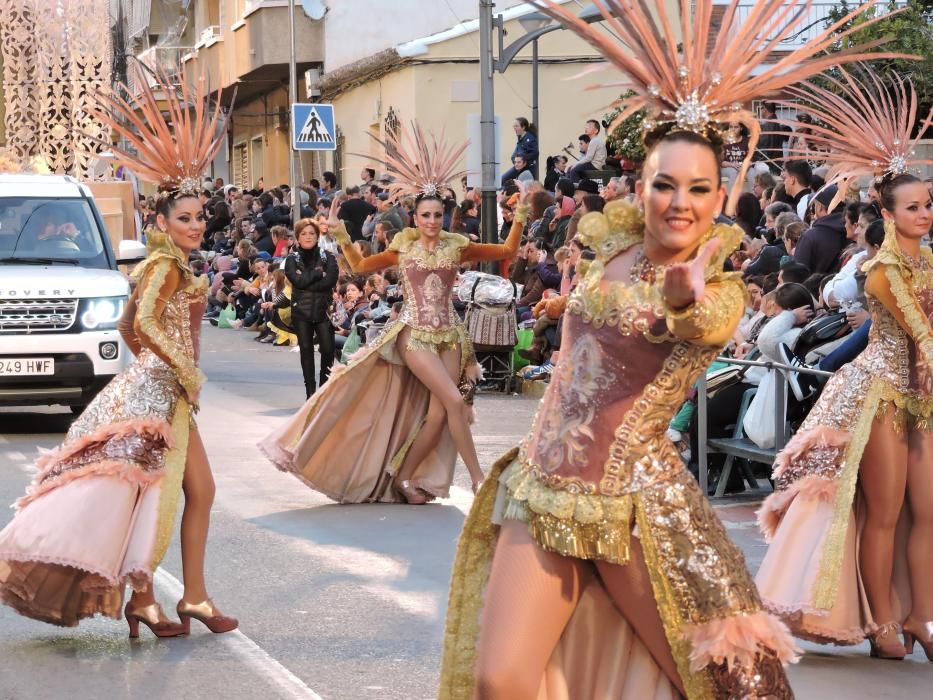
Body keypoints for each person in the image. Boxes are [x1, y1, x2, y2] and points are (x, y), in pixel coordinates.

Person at [437, 0, 891, 694]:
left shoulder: (719, 290)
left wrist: (680, 296)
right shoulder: (609, 245)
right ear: (639, 187)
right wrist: (562, 304)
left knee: (711, 682)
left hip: (635, 505)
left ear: (717, 199)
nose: (679, 201)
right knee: (500, 681)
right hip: (542, 485)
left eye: (698, 189)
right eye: (664, 184)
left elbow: (695, 320)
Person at [0, 67, 237, 636]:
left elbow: (131, 326)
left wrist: (162, 366)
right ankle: (157, 600)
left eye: (201, 216)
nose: (196, 224)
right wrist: (176, 367)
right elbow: (150, 321)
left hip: (162, 389)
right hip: (160, 395)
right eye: (184, 217)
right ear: (159, 221)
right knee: (147, 492)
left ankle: (184, 598)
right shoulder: (162, 265)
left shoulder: (175, 265)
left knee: (187, 490)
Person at [756, 68, 933, 660]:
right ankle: (883, 620)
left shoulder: (928, 264)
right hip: (880, 393)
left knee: (926, 513)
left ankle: (919, 616)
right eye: (913, 207)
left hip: (922, 398)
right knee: (882, 513)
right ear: (888, 212)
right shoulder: (880, 270)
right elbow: (920, 335)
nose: (924, 214)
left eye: (928, 204)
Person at [260, 123, 525, 505]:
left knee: (438, 415)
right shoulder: (403, 248)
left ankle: (403, 478)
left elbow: (507, 252)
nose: (431, 221)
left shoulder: (459, 246)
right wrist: (341, 235)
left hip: (451, 336)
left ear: (444, 216)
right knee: (455, 402)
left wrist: (521, 215)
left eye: (437, 215)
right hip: (414, 334)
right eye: (425, 215)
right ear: (415, 218)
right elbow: (361, 265)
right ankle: (481, 480)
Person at [283, 218, 338, 398]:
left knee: (328, 350)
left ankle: (323, 389)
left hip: (323, 310)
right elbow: (296, 281)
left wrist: (306, 281)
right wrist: (316, 274)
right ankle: (310, 392)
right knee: (306, 350)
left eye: (312, 233)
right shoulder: (292, 258)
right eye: (304, 234)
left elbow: (329, 281)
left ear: (317, 235)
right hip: (302, 312)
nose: (308, 237)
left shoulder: (328, 256)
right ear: (298, 237)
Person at [501, 117, 539, 183]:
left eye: (516, 126)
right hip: (518, 167)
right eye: (514, 126)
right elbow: (515, 154)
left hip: (526, 169)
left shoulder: (529, 138)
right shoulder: (521, 138)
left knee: (502, 180)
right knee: (504, 181)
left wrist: (523, 161)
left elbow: (535, 153)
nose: (514, 128)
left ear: (523, 127)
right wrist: (515, 160)